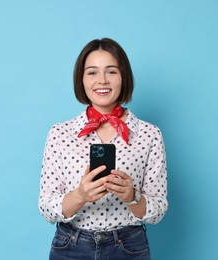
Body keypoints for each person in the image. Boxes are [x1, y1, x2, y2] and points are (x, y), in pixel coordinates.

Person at [38, 38, 168, 260]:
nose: (102, 80)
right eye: (92, 72)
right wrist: (80, 195)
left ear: (123, 76)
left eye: (111, 71)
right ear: (81, 79)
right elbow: (47, 208)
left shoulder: (149, 134)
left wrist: (132, 196)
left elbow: (157, 212)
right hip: (71, 246)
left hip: (128, 247)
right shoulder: (60, 133)